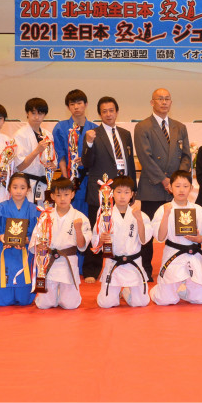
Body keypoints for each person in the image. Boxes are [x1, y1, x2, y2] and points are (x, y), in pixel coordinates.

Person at [134, 88, 191, 280]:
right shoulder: (142, 127)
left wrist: (177, 182)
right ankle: (145, 271)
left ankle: (180, 269)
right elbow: (145, 158)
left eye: (167, 99)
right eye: (160, 99)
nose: (164, 102)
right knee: (148, 233)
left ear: (171, 102)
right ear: (152, 102)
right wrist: (165, 180)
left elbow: (186, 156)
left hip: (176, 190)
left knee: (179, 230)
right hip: (152, 188)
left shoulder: (179, 127)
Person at [81, 96, 136, 283]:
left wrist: (133, 189)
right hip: (101, 191)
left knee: (122, 229)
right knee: (97, 229)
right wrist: (88, 143)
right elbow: (86, 163)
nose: (108, 114)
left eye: (111, 110)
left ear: (117, 112)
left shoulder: (125, 134)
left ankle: (122, 265)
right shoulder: (92, 134)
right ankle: (91, 269)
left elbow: (129, 163)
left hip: (123, 191)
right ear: (99, 114)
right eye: (104, 111)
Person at [150, 170, 202, 305]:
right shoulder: (163, 209)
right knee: (165, 300)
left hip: (194, 255)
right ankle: (157, 290)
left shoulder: (198, 210)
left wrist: (199, 239)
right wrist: (166, 214)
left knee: (200, 299)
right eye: (177, 186)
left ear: (191, 188)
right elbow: (160, 237)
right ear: (170, 188)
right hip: (173, 255)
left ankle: (183, 289)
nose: (181, 190)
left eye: (185, 186)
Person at [30, 178, 92, 310]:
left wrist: (78, 230)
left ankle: (63, 294)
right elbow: (36, 239)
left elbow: (82, 246)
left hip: (67, 262)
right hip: (48, 261)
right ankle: (54, 294)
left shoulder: (80, 217)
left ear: (72, 195)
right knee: (44, 304)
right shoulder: (45, 215)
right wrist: (39, 246)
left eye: (66, 194)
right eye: (58, 195)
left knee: (70, 305)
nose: (62, 198)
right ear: (52, 196)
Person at [91, 176, 152, 308]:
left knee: (141, 302)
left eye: (126, 192)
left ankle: (125, 291)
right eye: (119, 192)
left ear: (132, 194)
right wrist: (101, 240)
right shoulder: (105, 215)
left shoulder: (141, 215)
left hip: (133, 263)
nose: (122, 196)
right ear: (112, 194)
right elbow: (95, 241)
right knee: (106, 304)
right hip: (114, 263)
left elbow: (144, 240)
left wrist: (139, 220)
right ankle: (113, 292)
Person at [0, 172, 39, 306]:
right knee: (2, 301)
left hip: (25, 254)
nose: (18, 191)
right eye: (15, 187)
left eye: (22, 187)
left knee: (25, 301)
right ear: (9, 188)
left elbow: (40, 234)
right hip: (5, 253)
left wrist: (28, 240)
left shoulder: (35, 210)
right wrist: (0, 237)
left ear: (28, 189)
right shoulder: (1, 208)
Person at [52, 89, 99, 217]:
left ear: (86, 104)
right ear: (68, 107)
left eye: (79, 103)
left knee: (88, 217)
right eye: (72, 104)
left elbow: (97, 156)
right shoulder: (60, 127)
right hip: (69, 177)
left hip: (89, 179)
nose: (76, 107)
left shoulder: (95, 128)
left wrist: (86, 161)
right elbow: (60, 154)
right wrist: (66, 179)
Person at [14, 97, 56, 206]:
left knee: (45, 213)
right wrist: (37, 151)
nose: (37, 117)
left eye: (40, 113)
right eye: (33, 113)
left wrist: (53, 166)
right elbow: (20, 166)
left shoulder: (48, 135)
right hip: (27, 183)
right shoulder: (20, 135)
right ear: (27, 113)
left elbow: (53, 161)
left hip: (44, 183)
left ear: (45, 115)